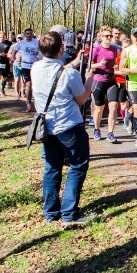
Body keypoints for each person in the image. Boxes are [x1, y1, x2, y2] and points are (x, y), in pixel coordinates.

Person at [31, 31, 96, 226]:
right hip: (68, 127)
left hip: (46, 127)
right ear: (61, 48)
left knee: (51, 168)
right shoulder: (69, 74)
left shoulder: (35, 67)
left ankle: (51, 213)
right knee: (77, 165)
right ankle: (69, 214)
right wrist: (90, 80)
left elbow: (57, 70)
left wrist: (76, 61)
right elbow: (82, 99)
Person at [90, 26, 120, 143]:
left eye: (110, 36)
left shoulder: (114, 49)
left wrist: (116, 67)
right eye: (106, 36)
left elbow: (116, 63)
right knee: (99, 108)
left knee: (113, 107)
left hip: (111, 80)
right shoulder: (96, 49)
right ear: (101, 37)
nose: (108, 38)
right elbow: (89, 66)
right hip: (99, 80)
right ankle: (97, 130)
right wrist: (99, 64)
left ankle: (110, 133)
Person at [11, 28, 40, 112]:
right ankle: (28, 104)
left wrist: (38, 51)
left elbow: (41, 51)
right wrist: (13, 59)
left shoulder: (36, 42)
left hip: (35, 65)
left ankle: (38, 104)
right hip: (25, 65)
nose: (29, 35)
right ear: (25, 34)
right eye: (27, 33)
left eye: (31, 33)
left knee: (35, 85)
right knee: (28, 85)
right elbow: (14, 51)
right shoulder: (21, 43)